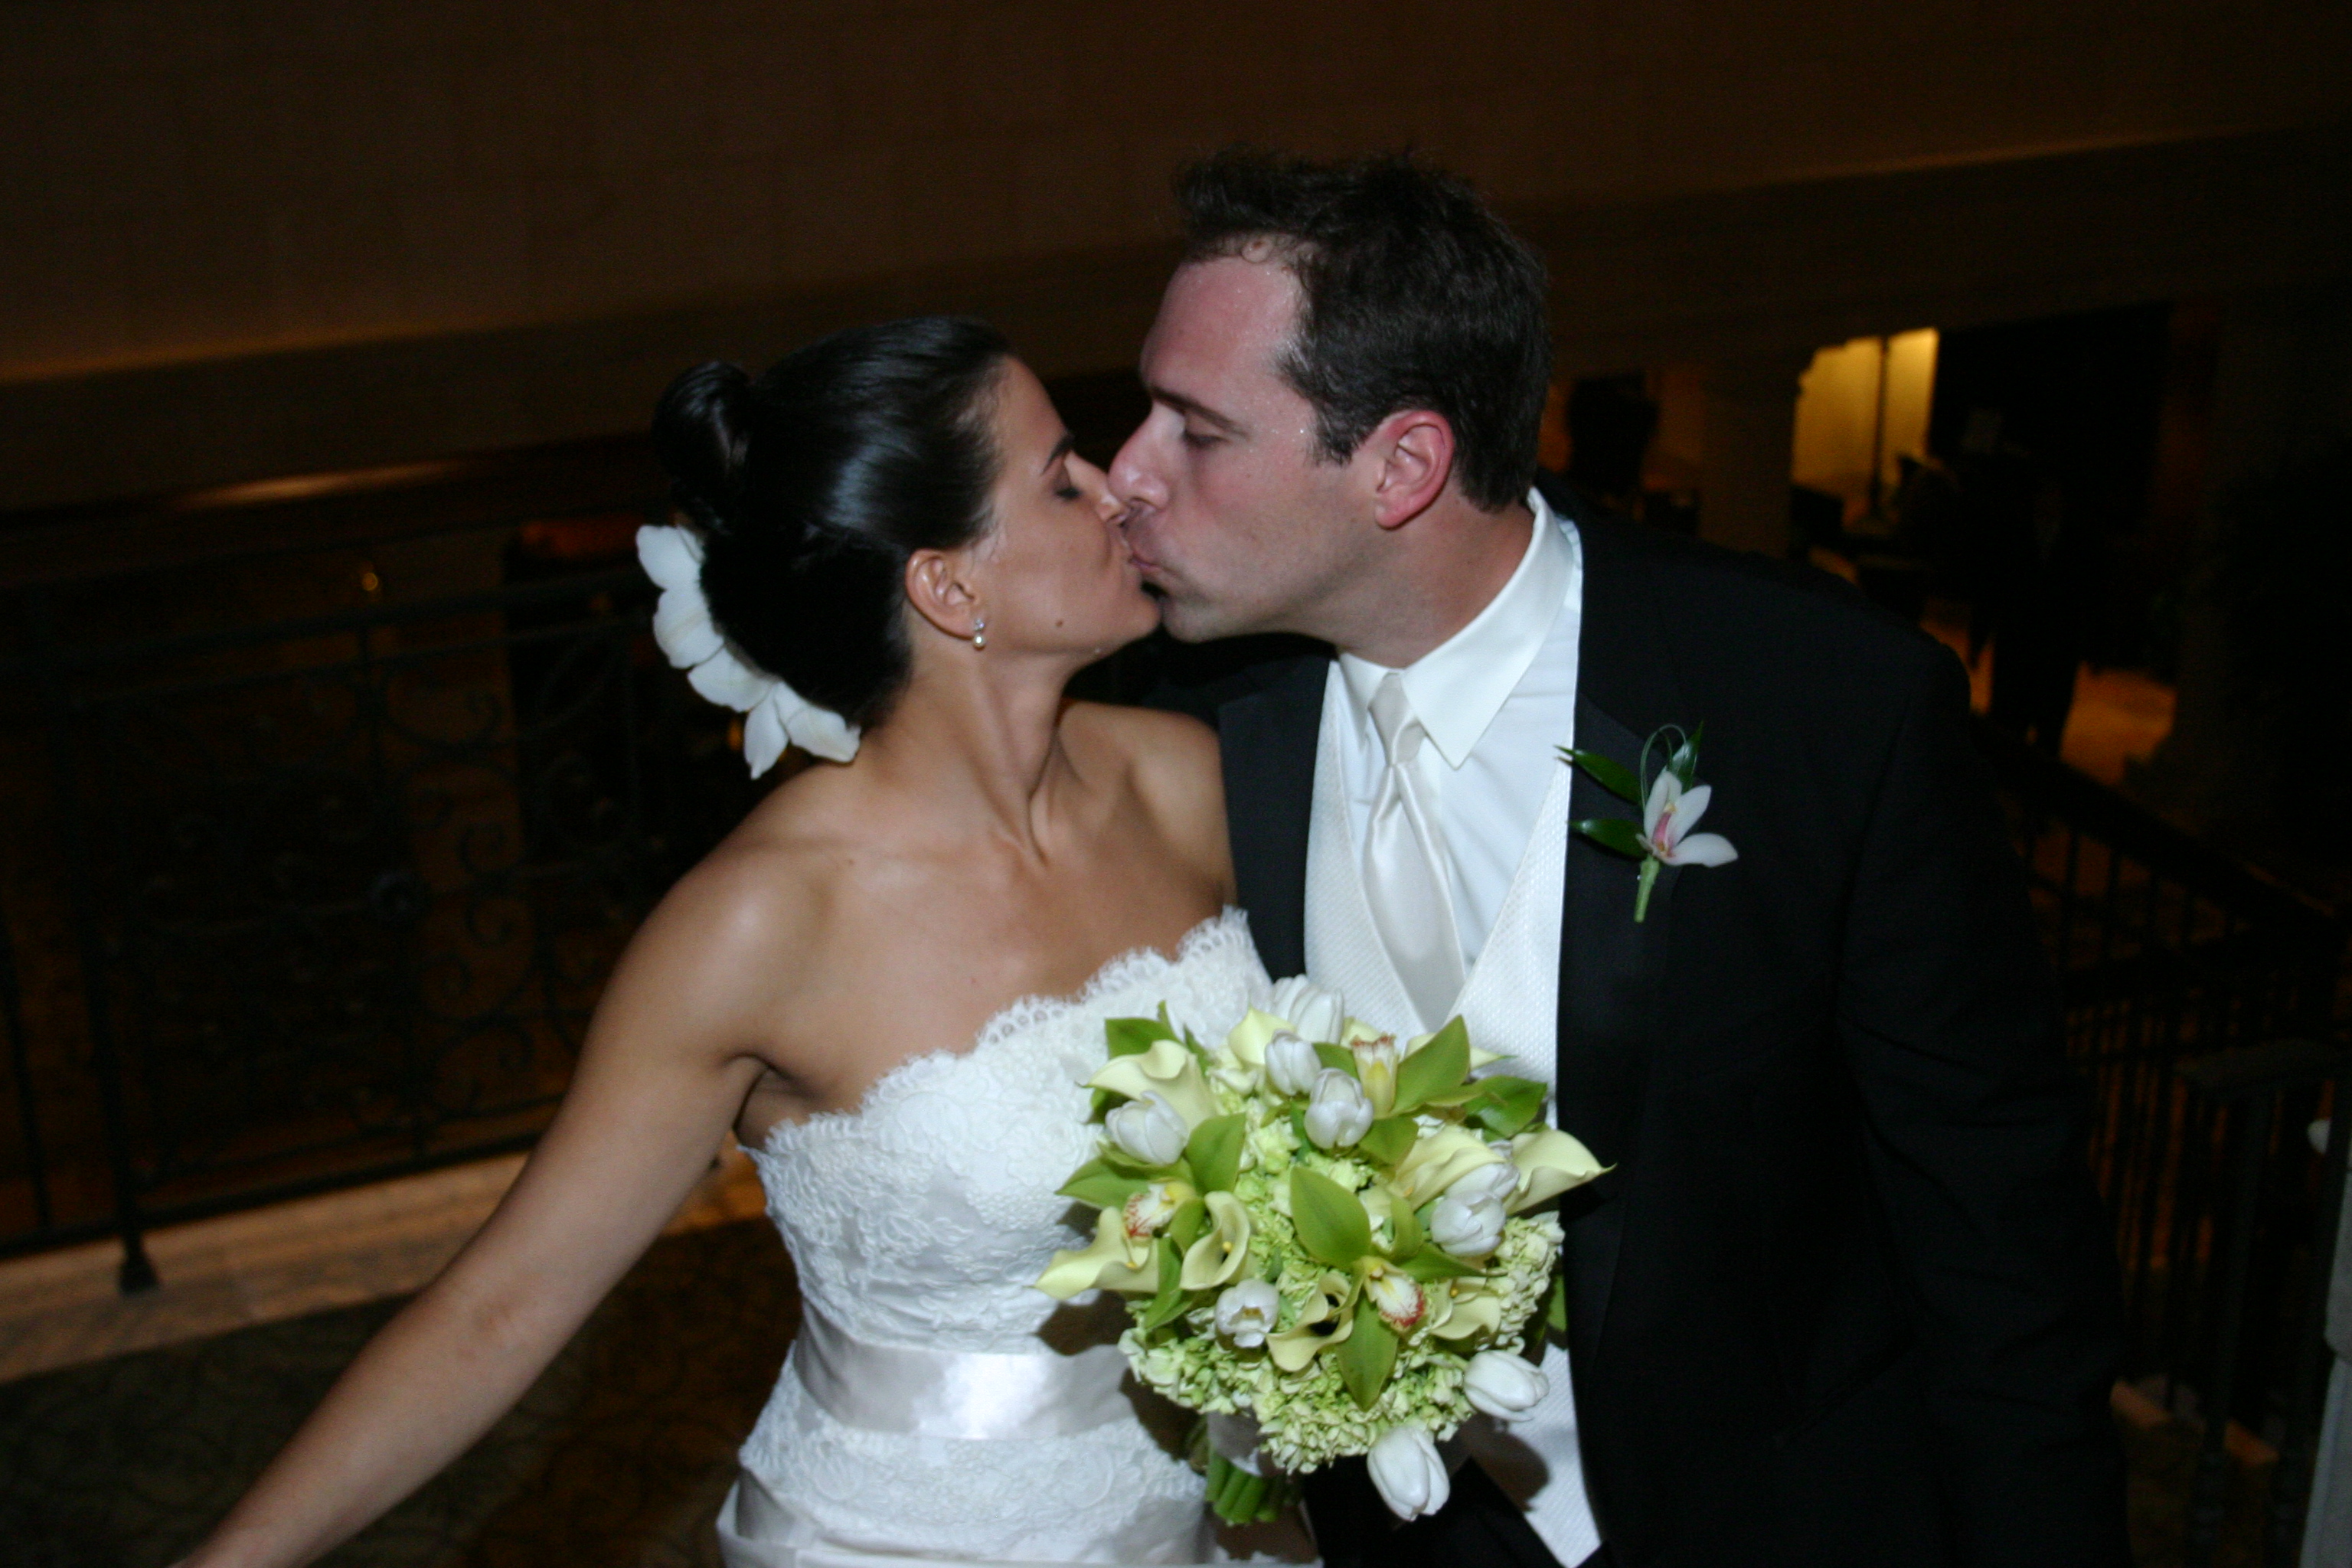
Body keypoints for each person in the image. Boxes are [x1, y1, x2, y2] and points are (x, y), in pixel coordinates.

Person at [1112, 149, 2132, 1568]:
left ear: (1403, 465)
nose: (1127, 474)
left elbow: (1997, 1229)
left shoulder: (1823, 706)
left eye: (1197, 430)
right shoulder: (1182, 716)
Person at [171, 317, 1285, 1568]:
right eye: (1060, 477)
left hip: (1203, 1516)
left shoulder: (1184, 784)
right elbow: (505, 1304)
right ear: (948, 586)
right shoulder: (760, 925)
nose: (1119, 487)